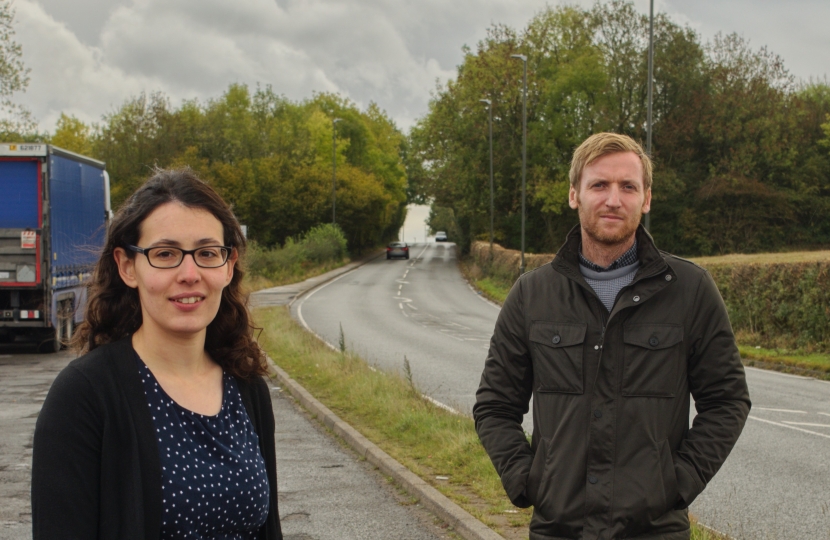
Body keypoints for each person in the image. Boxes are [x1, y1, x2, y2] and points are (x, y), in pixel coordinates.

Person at [473, 133, 750, 540]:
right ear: (574, 194)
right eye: (599, 185)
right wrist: (528, 480)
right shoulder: (532, 295)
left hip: (655, 532)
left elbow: (727, 400)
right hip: (559, 530)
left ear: (647, 198)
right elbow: (495, 406)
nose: (613, 199)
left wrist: (679, 482)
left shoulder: (690, 290)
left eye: (628, 186)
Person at [32, 169, 283, 540]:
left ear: (228, 266)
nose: (189, 273)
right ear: (127, 266)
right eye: (165, 253)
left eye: (206, 253)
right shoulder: (85, 396)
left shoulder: (247, 388)